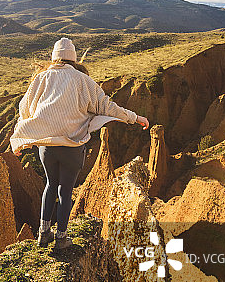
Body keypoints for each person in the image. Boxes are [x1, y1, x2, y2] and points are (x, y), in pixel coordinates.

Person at [9, 37, 149, 251]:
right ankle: (61, 238)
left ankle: (43, 234)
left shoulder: (41, 78)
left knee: (50, 185)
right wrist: (135, 117)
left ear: (54, 57)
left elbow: (25, 109)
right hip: (72, 148)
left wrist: (22, 138)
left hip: (47, 147)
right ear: (73, 59)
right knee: (65, 192)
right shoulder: (83, 80)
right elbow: (107, 106)